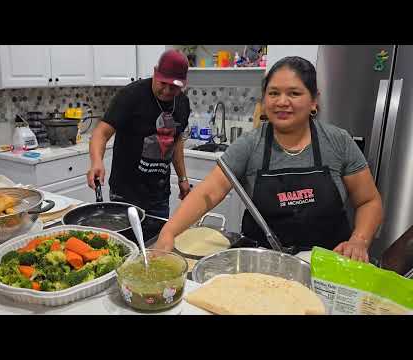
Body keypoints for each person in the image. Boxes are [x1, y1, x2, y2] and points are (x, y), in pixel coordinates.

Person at [154, 56, 383, 263]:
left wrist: (359, 240)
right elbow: (208, 192)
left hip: (328, 265)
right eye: (273, 93)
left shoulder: (337, 141)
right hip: (262, 264)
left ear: (314, 101)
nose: (282, 101)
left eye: (294, 93)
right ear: (264, 99)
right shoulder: (250, 144)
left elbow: (369, 201)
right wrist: (169, 232)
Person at [87, 49, 191, 218]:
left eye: (173, 87)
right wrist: (97, 162)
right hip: (126, 195)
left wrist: (182, 178)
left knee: (155, 243)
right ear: (155, 73)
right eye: (162, 83)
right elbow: (101, 133)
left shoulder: (182, 103)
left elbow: (176, 141)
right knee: (127, 243)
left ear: (183, 84)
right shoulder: (131, 96)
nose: (166, 91)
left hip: (159, 196)